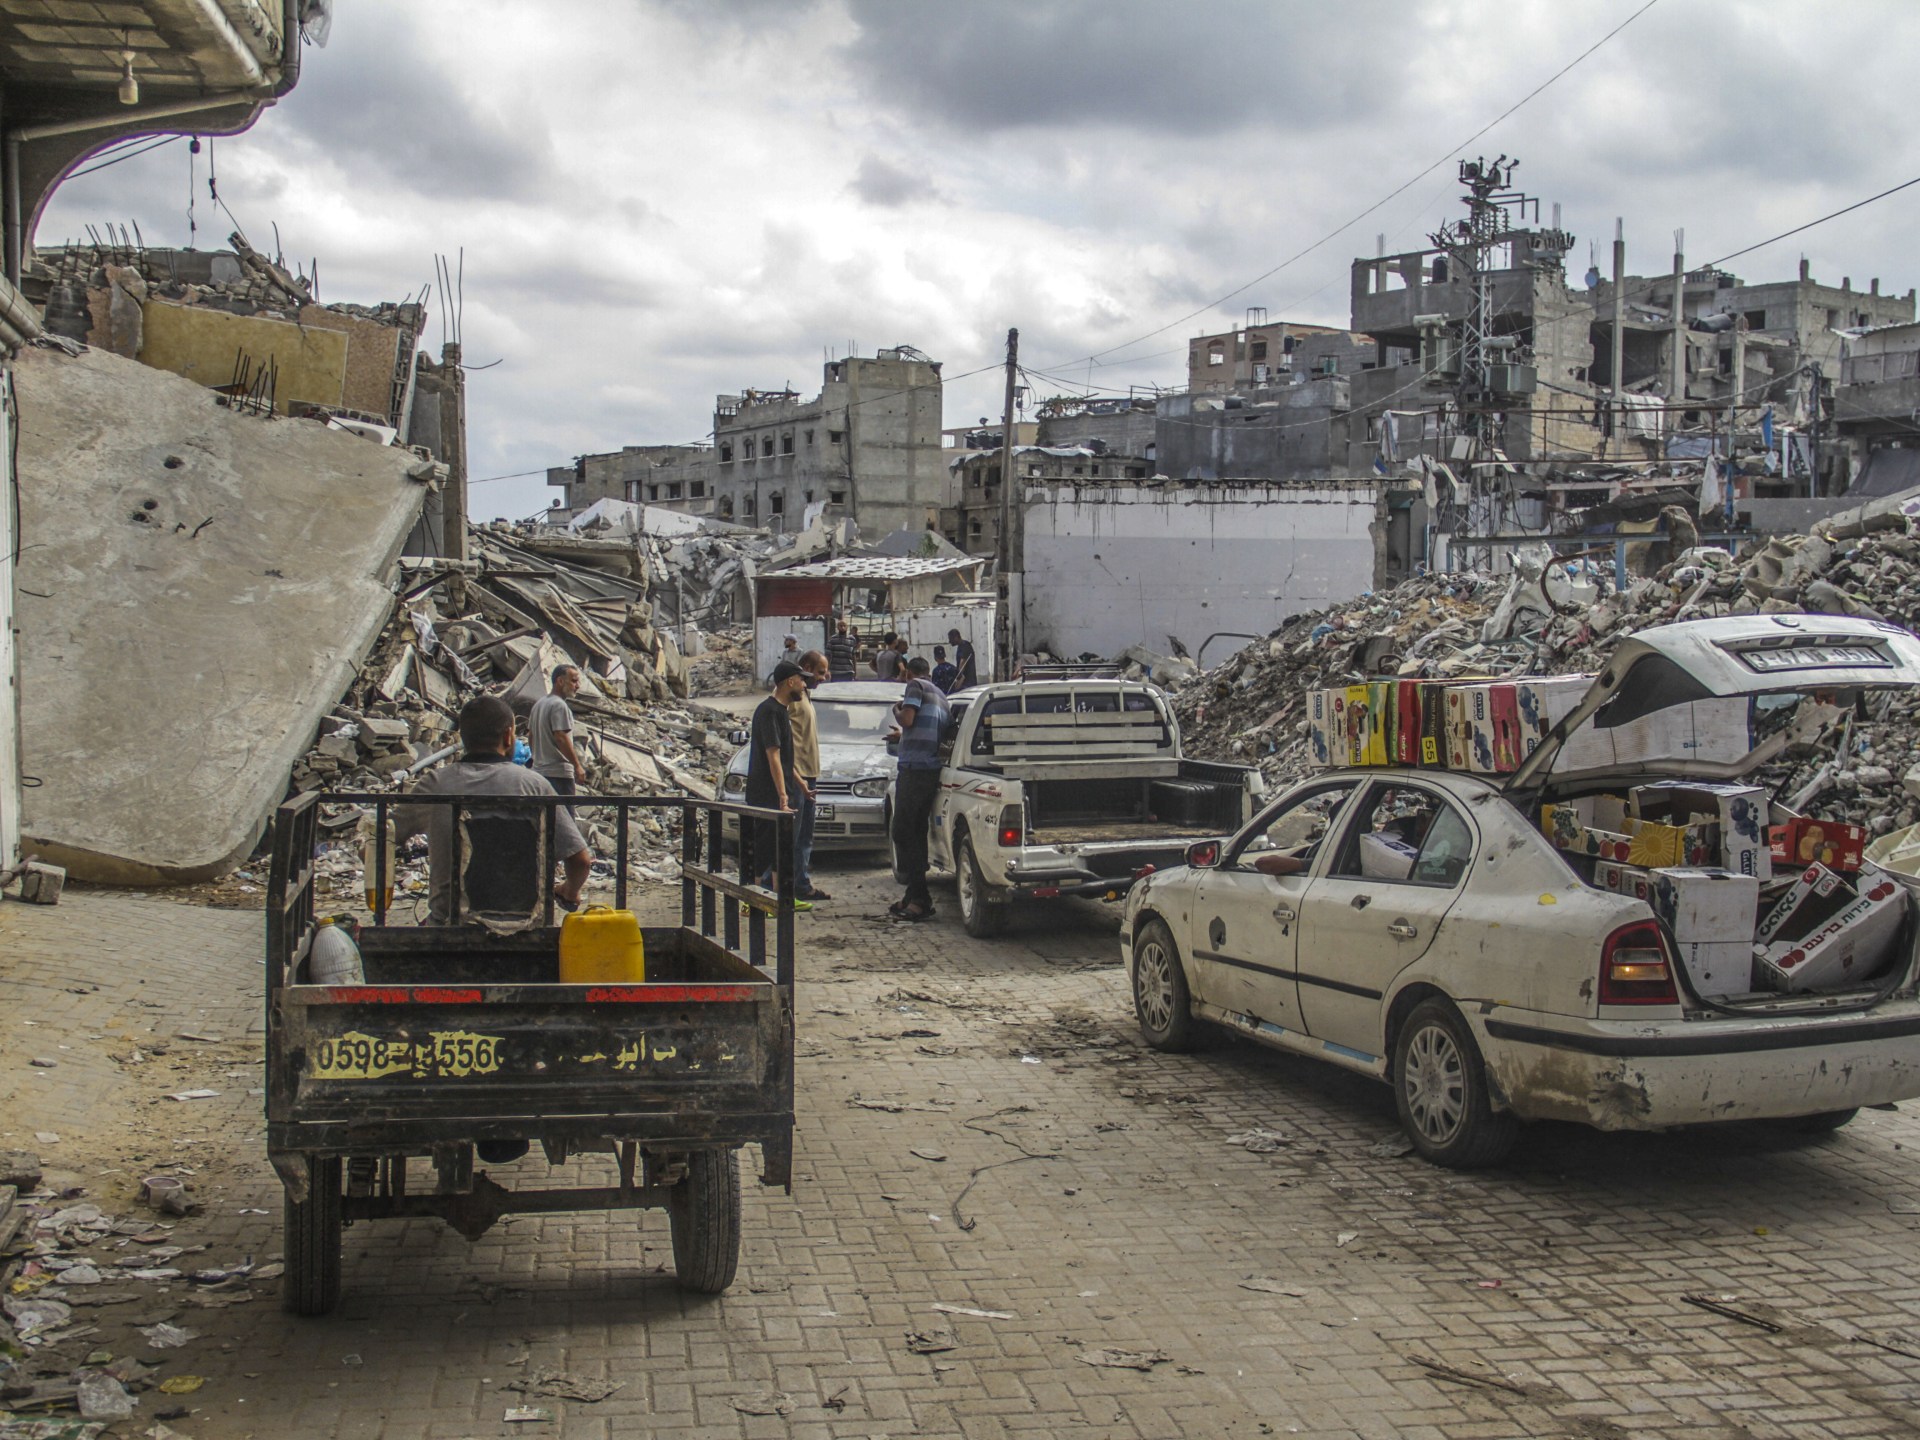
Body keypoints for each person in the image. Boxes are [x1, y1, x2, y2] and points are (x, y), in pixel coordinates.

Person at [398, 695, 592, 926]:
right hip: (526, 930)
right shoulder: (534, 786)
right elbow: (581, 860)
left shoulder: (434, 785)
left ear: (463, 736)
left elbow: (381, 838)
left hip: (450, 929)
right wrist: (569, 890)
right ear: (509, 736)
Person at [745, 661, 812, 910]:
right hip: (767, 793)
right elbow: (772, 755)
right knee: (763, 847)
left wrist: (800, 782)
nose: (805, 685)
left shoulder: (782, 710)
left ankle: (780, 899)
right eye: (801, 680)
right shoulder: (769, 711)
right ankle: (751, 902)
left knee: (780, 849)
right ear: (790, 682)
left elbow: (784, 759)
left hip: (782, 791)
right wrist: (782, 795)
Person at [888, 654, 949, 923]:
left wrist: (896, 710)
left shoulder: (915, 687)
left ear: (908, 673)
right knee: (915, 832)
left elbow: (908, 718)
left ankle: (920, 898)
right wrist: (903, 738)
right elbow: (930, 731)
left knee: (901, 831)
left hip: (913, 770)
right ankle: (914, 896)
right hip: (930, 771)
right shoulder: (942, 697)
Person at [786, 650, 832, 902]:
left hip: (809, 775)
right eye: (820, 671)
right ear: (805, 667)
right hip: (797, 777)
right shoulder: (792, 697)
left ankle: (801, 885)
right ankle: (782, 889)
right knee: (791, 836)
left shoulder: (805, 696)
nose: (824, 677)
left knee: (804, 836)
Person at [527, 664, 587, 804]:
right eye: (573, 681)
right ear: (560, 681)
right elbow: (561, 737)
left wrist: (537, 759)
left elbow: (531, 736)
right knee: (565, 819)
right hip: (558, 775)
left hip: (539, 772)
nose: (577, 686)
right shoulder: (559, 705)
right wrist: (577, 766)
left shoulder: (539, 704)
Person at [826, 618, 860, 682]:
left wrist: (855, 672)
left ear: (847, 627)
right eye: (840, 626)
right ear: (837, 627)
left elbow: (853, 657)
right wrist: (827, 670)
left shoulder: (852, 639)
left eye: (844, 626)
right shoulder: (832, 639)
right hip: (835, 672)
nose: (842, 627)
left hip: (848, 672)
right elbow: (828, 656)